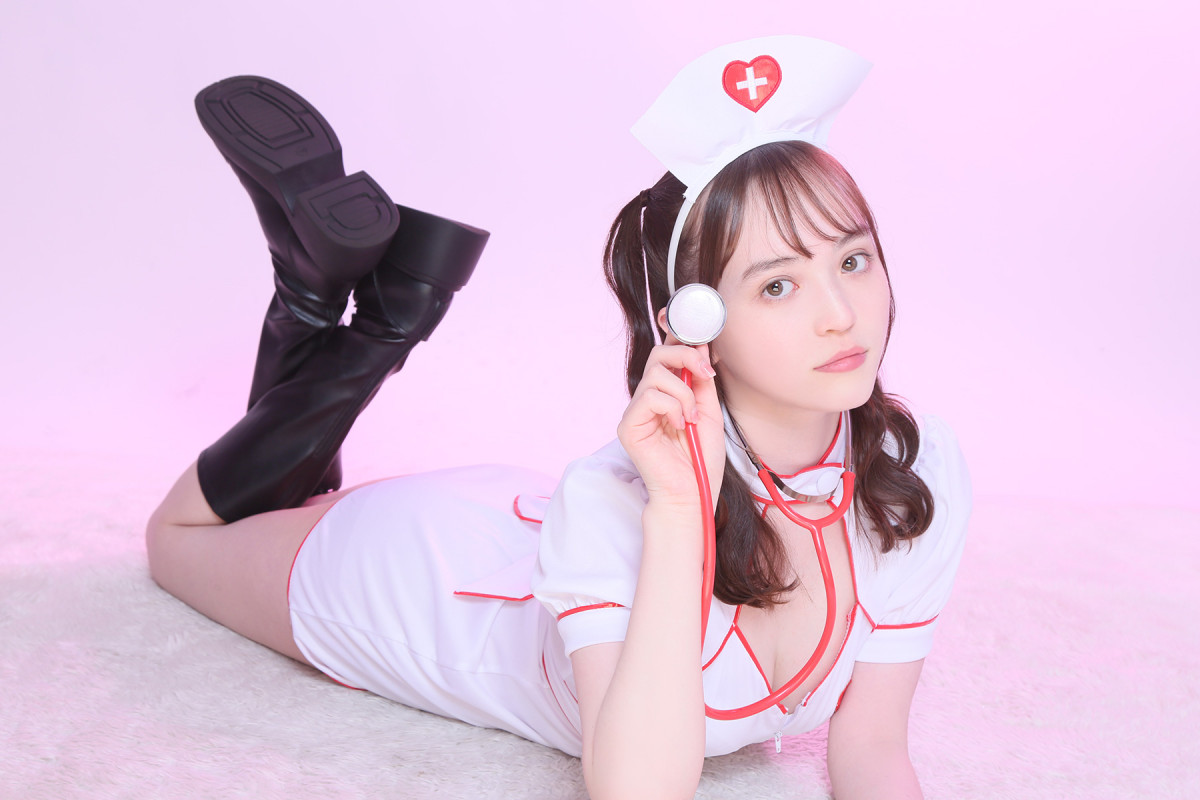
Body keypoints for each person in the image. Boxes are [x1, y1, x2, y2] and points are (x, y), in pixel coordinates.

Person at [147, 36, 970, 800]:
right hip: (416, 583)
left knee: (289, 493)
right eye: (779, 285)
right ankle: (372, 323)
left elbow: (872, 748)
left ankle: (345, 296)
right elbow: (636, 790)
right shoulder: (623, 502)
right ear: (697, 321)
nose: (841, 314)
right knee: (176, 536)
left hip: (517, 525)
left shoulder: (913, 477)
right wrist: (680, 511)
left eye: (853, 260)